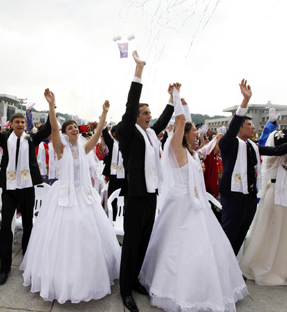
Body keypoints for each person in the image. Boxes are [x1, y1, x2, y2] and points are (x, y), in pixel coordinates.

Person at [139, 83, 248, 312]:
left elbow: (186, 123)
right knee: (181, 250)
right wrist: (175, 97)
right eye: (194, 132)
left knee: (206, 249)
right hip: (180, 207)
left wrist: (186, 107)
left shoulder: (191, 154)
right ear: (184, 135)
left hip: (198, 206)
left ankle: (208, 287)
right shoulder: (176, 151)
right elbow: (180, 123)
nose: (197, 134)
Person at [20, 89, 120, 303]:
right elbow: (54, 127)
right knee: (62, 239)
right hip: (64, 197)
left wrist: (103, 113)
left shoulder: (84, 148)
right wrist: (51, 105)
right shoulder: (59, 148)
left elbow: (99, 131)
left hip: (84, 196)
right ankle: (59, 277)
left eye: (75, 126)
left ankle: (91, 274)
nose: (74, 129)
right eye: (70, 128)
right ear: (65, 133)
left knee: (89, 234)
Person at [115, 51, 174, 312]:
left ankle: (136, 278)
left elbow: (162, 121)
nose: (149, 115)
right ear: (136, 116)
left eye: (150, 112)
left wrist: (172, 102)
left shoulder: (150, 134)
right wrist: (138, 72)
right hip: (136, 194)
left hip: (151, 194)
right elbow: (131, 104)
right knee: (131, 243)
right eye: (145, 112)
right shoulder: (129, 132)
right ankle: (125, 290)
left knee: (143, 241)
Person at [218, 80, 287, 255]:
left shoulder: (252, 146)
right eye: (249, 125)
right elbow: (232, 129)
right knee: (229, 231)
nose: (253, 127)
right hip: (233, 194)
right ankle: (219, 265)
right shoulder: (229, 143)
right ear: (240, 128)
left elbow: (277, 150)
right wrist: (245, 101)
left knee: (241, 232)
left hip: (249, 195)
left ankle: (231, 266)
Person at [0, 93, 51, 285]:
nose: (20, 124)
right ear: (11, 124)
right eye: (17, 122)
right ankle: (4, 268)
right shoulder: (3, 138)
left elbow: (48, 129)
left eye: (22, 122)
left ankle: (28, 262)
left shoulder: (31, 138)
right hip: (10, 188)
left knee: (28, 224)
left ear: (26, 125)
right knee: (6, 228)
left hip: (27, 187)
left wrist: (52, 106)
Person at [240, 127, 287, 286]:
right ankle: (265, 265)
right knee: (273, 231)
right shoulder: (276, 156)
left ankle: (283, 265)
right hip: (276, 196)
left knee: (285, 232)